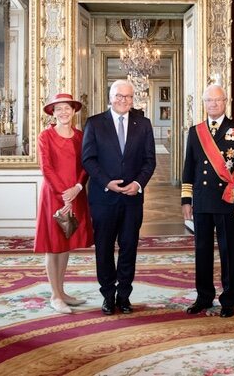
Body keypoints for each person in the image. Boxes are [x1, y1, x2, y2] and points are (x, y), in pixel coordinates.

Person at [82, 79, 156, 315]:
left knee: (129, 248)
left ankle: (124, 296)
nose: (123, 100)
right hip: (103, 198)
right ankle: (107, 295)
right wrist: (106, 183)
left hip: (133, 199)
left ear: (133, 99)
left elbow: (149, 160)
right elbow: (88, 159)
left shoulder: (143, 124)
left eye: (128, 96)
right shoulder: (94, 123)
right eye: (119, 96)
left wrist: (138, 183)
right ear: (110, 97)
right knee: (103, 249)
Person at [181, 84, 234, 318]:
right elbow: (189, 168)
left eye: (217, 100)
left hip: (227, 200)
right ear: (204, 104)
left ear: (225, 102)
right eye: (209, 101)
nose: (213, 104)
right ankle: (203, 296)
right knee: (201, 250)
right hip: (201, 200)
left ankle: (229, 299)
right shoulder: (195, 131)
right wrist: (186, 200)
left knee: (228, 251)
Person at [34, 93, 93, 314]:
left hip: (75, 194)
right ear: (52, 112)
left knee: (66, 242)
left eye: (67, 108)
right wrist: (63, 195)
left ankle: (62, 290)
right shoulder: (45, 136)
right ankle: (55, 295)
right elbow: (46, 168)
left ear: (73, 110)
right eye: (58, 109)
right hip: (54, 196)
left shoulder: (80, 136)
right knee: (53, 245)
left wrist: (77, 188)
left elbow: (86, 164)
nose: (63, 112)